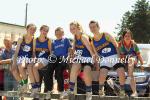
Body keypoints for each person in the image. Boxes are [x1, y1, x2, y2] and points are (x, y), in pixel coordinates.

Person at [89, 20, 126, 96]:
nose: (92, 29)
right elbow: (96, 54)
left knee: (121, 71)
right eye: (91, 27)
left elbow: (116, 45)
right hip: (104, 58)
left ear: (98, 27)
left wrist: (119, 57)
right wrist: (98, 65)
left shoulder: (105, 34)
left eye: (94, 27)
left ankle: (122, 90)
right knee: (102, 74)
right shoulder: (92, 41)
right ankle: (101, 90)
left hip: (114, 55)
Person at [61, 21, 95, 100]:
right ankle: (71, 89)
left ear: (79, 28)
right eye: (71, 29)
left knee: (86, 72)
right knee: (74, 67)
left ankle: (89, 92)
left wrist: (96, 62)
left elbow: (91, 50)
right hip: (80, 57)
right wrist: (71, 52)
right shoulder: (75, 37)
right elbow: (74, 49)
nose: (72, 30)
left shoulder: (83, 37)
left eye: (74, 28)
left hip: (88, 57)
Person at [12, 24, 36, 93]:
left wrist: (33, 60)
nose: (32, 31)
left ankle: (25, 84)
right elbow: (16, 52)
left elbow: (33, 52)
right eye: (31, 29)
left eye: (34, 30)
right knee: (13, 70)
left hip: (27, 58)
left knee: (21, 66)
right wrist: (14, 62)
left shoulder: (33, 40)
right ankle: (22, 85)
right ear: (27, 29)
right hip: (19, 57)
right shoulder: (21, 39)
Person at [118, 30, 144, 97]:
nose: (127, 37)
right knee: (130, 73)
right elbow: (120, 56)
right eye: (126, 36)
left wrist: (142, 64)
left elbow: (139, 55)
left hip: (133, 60)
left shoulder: (134, 44)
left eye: (129, 36)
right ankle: (134, 92)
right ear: (123, 37)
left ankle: (128, 78)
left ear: (131, 37)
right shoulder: (120, 44)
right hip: (125, 61)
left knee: (131, 59)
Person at [28, 25, 51, 96]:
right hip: (37, 58)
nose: (45, 32)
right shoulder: (35, 39)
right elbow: (34, 51)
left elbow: (51, 52)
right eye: (44, 30)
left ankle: (38, 87)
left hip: (45, 59)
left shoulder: (48, 40)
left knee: (35, 67)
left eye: (47, 31)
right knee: (29, 67)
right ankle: (34, 86)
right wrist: (34, 57)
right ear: (40, 30)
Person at [50, 27, 72, 95]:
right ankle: (51, 89)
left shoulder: (66, 40)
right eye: (57, 33)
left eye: (60, 33)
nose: (59, 34)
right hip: (56, 59)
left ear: (63, 33)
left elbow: (70, 49)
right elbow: (52, 52)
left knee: (59, 70)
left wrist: (69, 56)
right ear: (55, 34)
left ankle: (61, 90)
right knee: (50, 69)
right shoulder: (53, 42)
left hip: (63, 58)